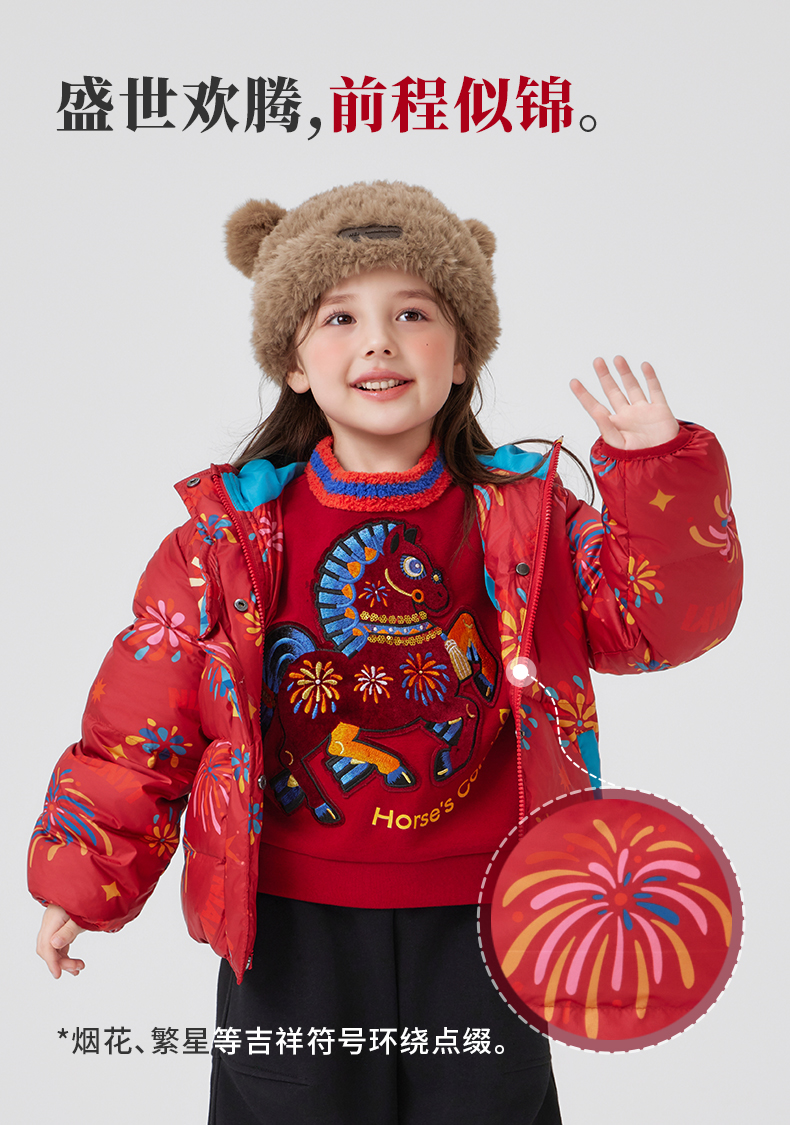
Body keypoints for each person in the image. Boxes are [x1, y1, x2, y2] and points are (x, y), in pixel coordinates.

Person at [30, 181, 742, 1124]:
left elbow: (659, 624)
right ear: (294, 362)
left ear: (462, 356)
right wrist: (85, 876)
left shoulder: (528, 520)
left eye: (413, 313)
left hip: (494, 909)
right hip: (291, 922)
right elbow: (140, 728)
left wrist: (656, 473)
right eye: (341, 317)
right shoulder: (228, 538)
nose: (378, 341)